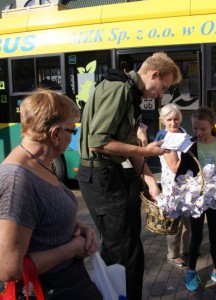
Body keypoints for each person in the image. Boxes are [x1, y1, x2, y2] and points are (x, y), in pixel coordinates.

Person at [76, 52, 182, 300]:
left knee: (120, 246)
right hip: (101, 176)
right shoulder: (120, 90)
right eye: (163, 86)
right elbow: (98, 142)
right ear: (153, 74)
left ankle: (109, 294)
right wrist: (147, 151)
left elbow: (126, 144)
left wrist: (150, 182)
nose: (160, 94)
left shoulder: (127, 91)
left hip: (108, 174)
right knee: (127, 250)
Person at [0, 89, 102, 299]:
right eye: (72, 132)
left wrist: (79, 227)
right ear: (55, 133)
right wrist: (73, 249)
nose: (73, 138)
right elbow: (8, 268)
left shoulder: (41, 162)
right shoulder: (17, 180)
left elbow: (41, 219)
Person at [176, 107, 216, 292]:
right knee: (196, 236)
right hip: (195, 201)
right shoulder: (190, 146)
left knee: (214, 236)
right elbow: (181, 173)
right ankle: (191, 270)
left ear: (212, 125)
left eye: (202, 128)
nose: (198, 133)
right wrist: (177, 191)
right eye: (195, 128)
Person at [154, 103, 191, 269]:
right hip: (172, 188)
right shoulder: (164, 137)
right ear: (163, 120)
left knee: (188, 221)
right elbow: (175, 167)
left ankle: (186, 250)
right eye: (169, 119)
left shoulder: (183, 132)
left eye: (176, 119)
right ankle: (173, 255)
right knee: (175, 224)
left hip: (187, 186)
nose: (173, 123)